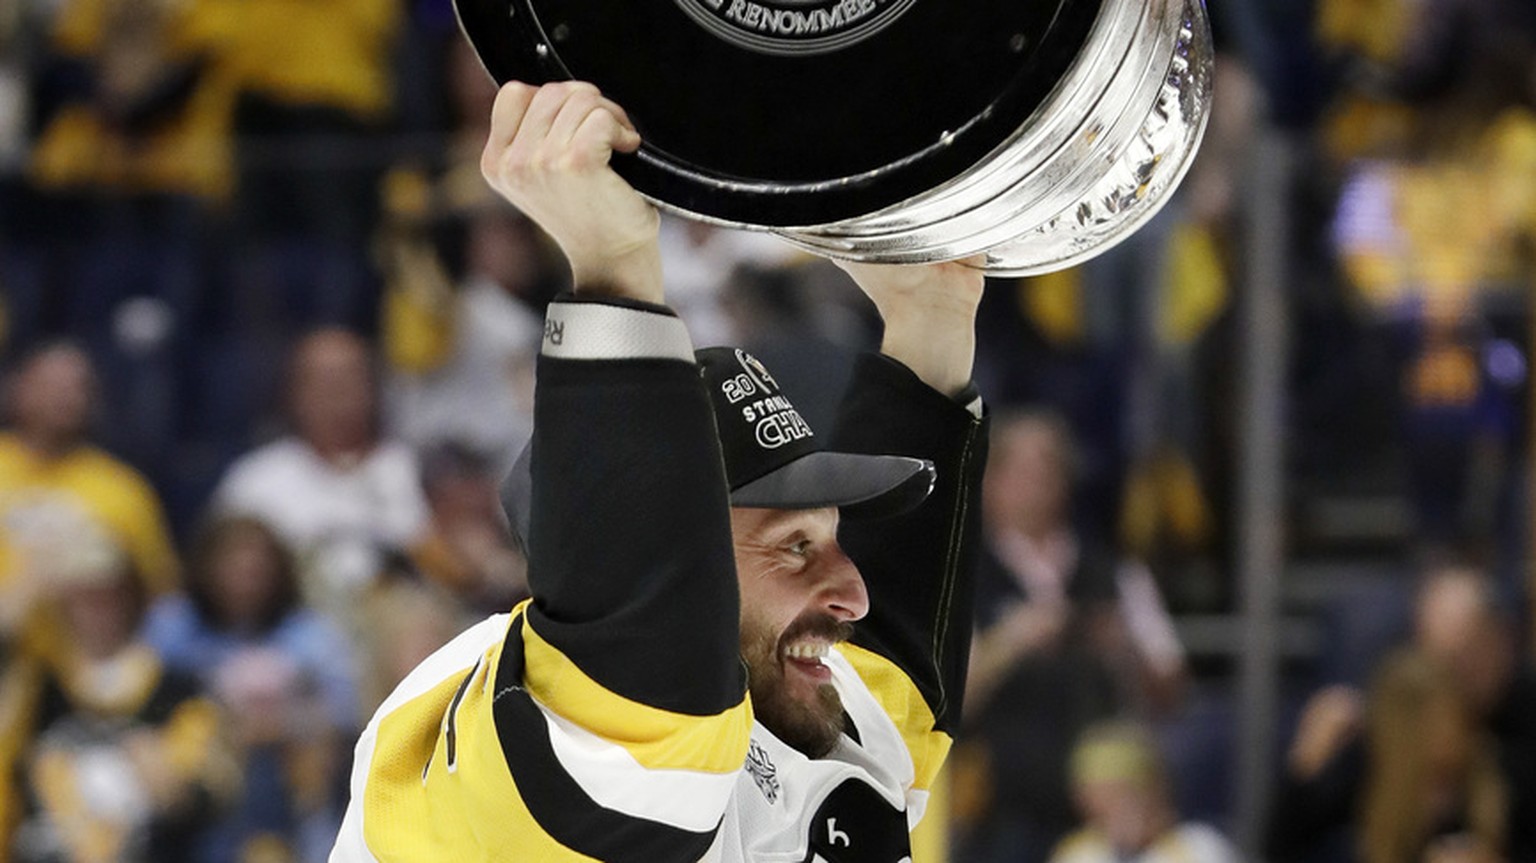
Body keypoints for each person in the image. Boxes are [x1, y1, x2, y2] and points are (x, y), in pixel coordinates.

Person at [329, 80, 989, 860]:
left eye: (828, 537)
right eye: (794, 545)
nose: (853, 591)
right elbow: (647, 671)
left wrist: (930, 316)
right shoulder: (529, 751)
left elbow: (894, 659)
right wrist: (611, 266)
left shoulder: (809, 710)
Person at [212, 328, 428, 626]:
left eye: (351, 380)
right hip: (293, 637)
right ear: (294, 393)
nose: (339, 395)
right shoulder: (256, 482)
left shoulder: (412, 469)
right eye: (326, 383)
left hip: (399, 634)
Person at [1049, 721, 1240, 863]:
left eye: (1123, 796)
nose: (1120, 813)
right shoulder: (1077, 854)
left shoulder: (1200, 847)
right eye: (1104, 803)